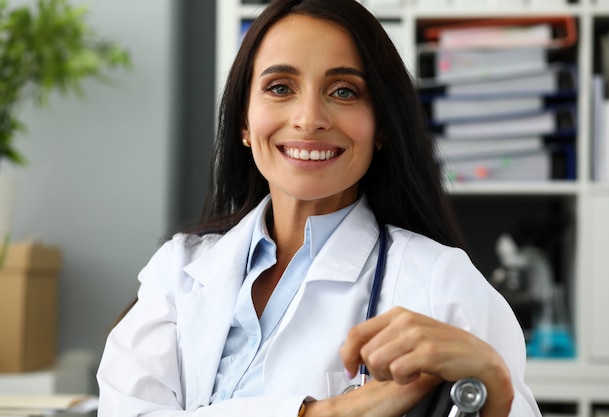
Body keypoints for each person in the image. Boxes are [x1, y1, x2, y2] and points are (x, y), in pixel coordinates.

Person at [96, 0, 542, 416]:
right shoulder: (179, 270)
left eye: (344, 91)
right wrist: (320, 412)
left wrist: (494, 389)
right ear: (244, 123)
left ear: (381, 126)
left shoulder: (441, 281)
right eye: (280, 87)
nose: (309, 118)